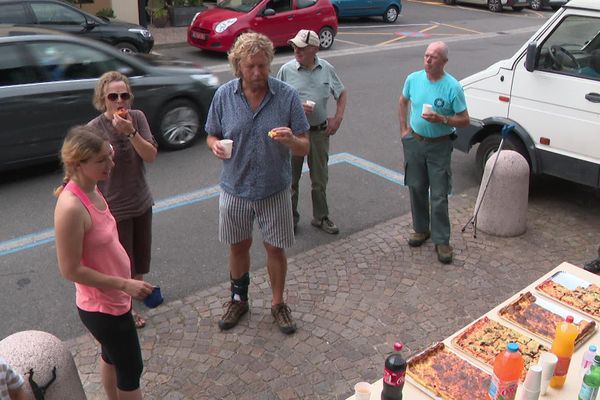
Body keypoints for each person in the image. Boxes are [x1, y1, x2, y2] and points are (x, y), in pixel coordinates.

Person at [205, 32, 310, 334]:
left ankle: (278, 304)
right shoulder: (224, 95)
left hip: (274, 189)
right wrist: (213, 144)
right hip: (234, 188)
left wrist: (292, 140)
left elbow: (305, 145)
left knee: (275, 249)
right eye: (250, 66)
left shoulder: (286, 95)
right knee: (239, 247)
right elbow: (211, 132)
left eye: (263, 66)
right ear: (237, 65)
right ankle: (239, 299)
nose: (257, 73)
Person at [54, 126, 154, 400]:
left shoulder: (93, 189)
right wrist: (124, 283)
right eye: (102, 160)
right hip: (102, 308)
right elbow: (69, 269)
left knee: (111, 356)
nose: (111, 163)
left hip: (115, 299)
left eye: (109, 156)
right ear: (78, 164)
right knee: (131, 368)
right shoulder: (71, 207)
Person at [88, 71, 158, 329]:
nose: (120, 101)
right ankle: (124, 312)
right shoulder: (94, 129)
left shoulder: (137, 118)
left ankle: (132, 300)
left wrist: (131, 133)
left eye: (124, 95)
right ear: (103, 99)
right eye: (113, 96)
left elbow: (150, 156)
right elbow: (86, 171)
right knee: (120, 267)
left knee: (139, 261)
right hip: (114, 211)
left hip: (141, 202)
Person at [398, 41, 470, 264]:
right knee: (416, 187)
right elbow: (403, 101)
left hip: (439, 145)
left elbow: (465, 120)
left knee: (438, 195)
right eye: (426, 55)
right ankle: (421, 229)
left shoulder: (453, 87)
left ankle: (442, 240)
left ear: (444, 61)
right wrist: (404, 131)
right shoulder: (413, 78)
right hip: (415, 142)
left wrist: (442, 119)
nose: (428, 60)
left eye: (434, 57)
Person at [276, 29, 347, 235]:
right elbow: (276, 101)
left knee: (319, 180)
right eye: (295, 46)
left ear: (314, 49)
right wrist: (296, 106)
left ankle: (321, 217)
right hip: (294, 134)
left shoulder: (327, 69)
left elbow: (341, 93)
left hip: (319, 133)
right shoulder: (286, 70)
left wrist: (337, 118)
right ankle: (290, 219)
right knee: (290, 180)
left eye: (301, 47)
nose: (296, 50)